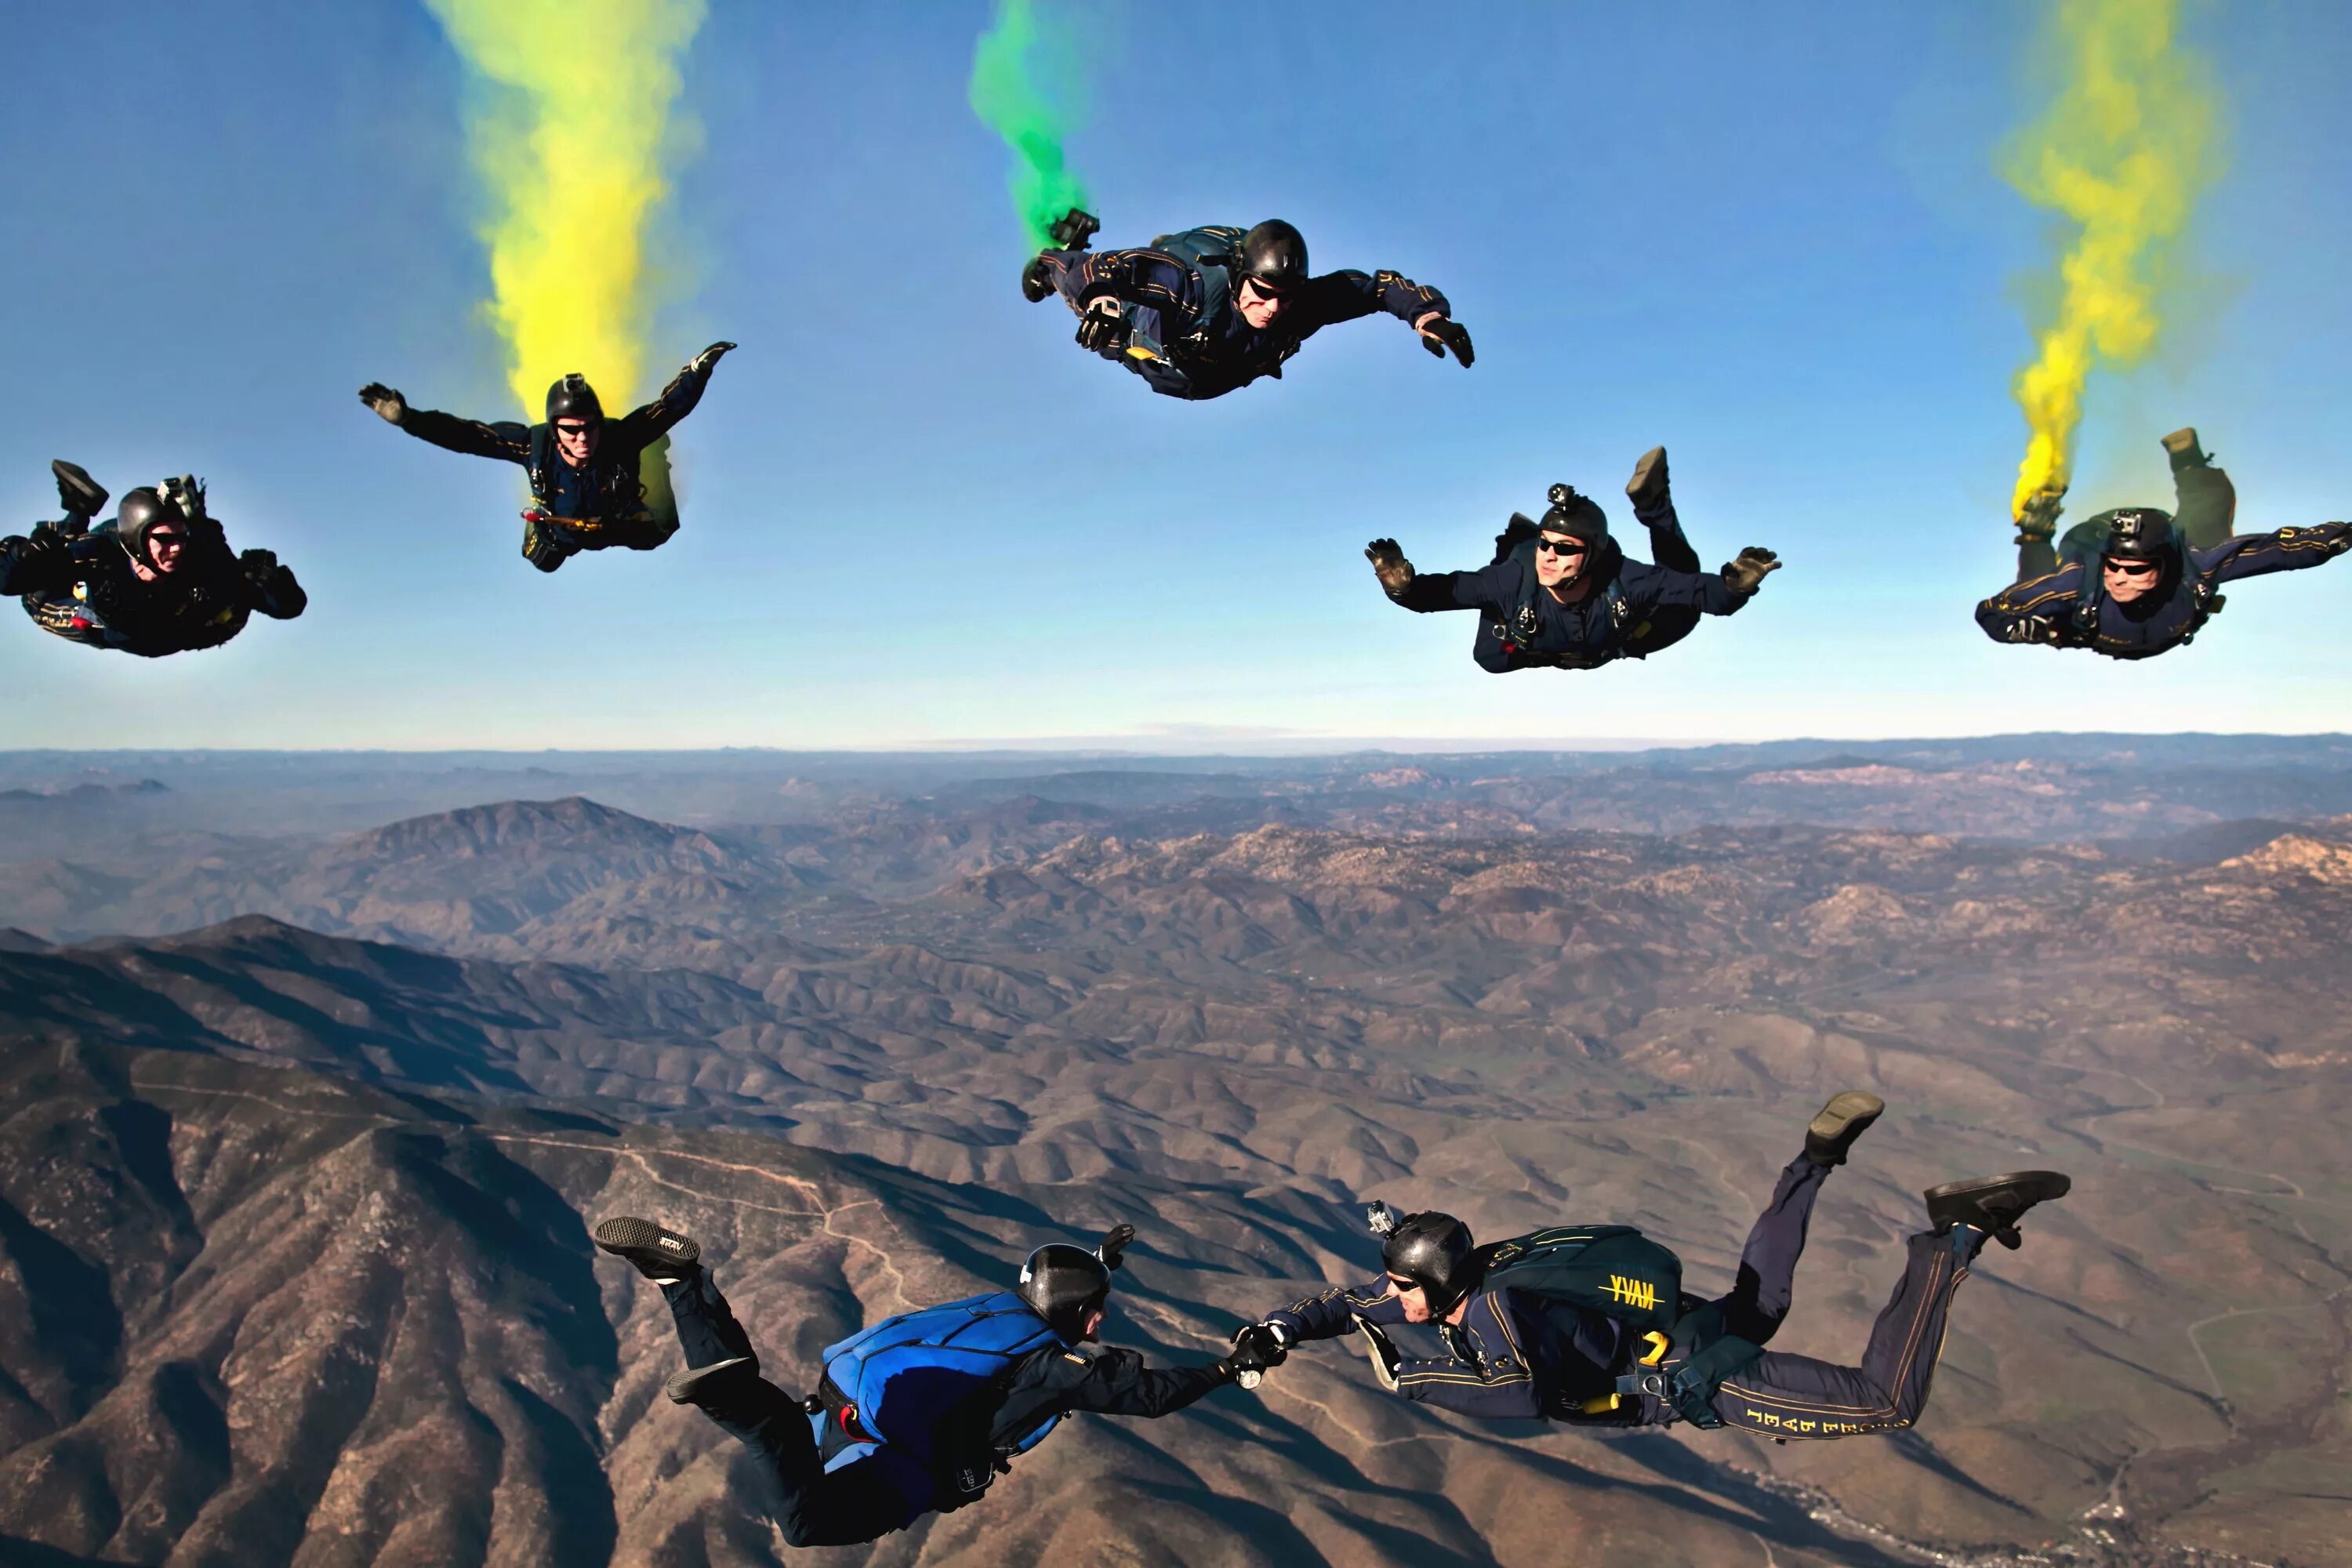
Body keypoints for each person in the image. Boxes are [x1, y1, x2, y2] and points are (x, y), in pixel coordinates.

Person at [1241, 1093, 2071, 1439]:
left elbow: (1519, 1393)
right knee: (1761, 1294)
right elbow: (1350, 1304)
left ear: (1441, 1285)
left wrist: (1409, 1378)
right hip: (1683, 1326)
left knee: (1888, 1402)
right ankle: (1811, 1162)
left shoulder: (1491, 1316)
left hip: (1697, 1373)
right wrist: (1284, 1328)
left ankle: (1954, 1235)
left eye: (1401, 1285)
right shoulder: (1473, 1276)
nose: (1390, 1296)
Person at [593, 1215, 1283, 1548]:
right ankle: (750, 1411)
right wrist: (1231, 1367)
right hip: (897, 1464)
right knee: (803, 1524)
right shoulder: (1051, 1366)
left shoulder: (1003, 1311)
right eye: (1094, 1311)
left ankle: (680, 1283)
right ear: (1072, 1312)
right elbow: (1152, 1396)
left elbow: (1056, 1283)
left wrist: (1101, 1259)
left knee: (761, 1410)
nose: (1101, 1323)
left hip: (837, 1407)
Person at [1365, 447, 1780, 672]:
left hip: (1619, 638)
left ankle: (1655, 508)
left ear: (1593, 555)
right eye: (1545, 543)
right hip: (1529, 642)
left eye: (1564, 549)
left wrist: (1735, 587)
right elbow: (1441, 593)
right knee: (1488, 658)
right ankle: (1516, 539)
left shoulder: (1625, 580)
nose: (1548, 556)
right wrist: (1402, 588)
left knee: (1684, 607)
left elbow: (1703, 593)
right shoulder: (1513, 580)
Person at [358, 341, 735, 572]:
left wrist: (696, 373)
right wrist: (409, 419)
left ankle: (656, 465)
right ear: (555, 429)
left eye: (590, 426)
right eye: (570, 429)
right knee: (542, 562)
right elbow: (469, 436)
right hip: (561, 530)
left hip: (618, 522)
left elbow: (667, 408)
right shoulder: (532, 445)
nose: (583, 437)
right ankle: (544, 532)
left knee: (660, 532)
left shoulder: (619, 437)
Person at [1979, 426, 2351, 659]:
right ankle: (2035, 530)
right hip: (2088, 544)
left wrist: (2335, 538)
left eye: (2136, 569)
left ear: (2162, 565)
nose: (2119, 578)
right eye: (2115, 566)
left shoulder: (2195, 564)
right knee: (2045, 598)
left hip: (2171, 552)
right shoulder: (2080, 581)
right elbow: (1994, 609)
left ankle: (2189, 461)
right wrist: (2017, 630)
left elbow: (2283, 550)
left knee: (2210, 522)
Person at [1022, 210, 1471, 401]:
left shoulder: (1301, 304)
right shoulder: (1191, 286)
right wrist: (1095, 296)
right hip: (1158, 347)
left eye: (1284, 296)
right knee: (1104, 320)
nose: (1273, 308)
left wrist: (1428, 315)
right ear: (1240, 278)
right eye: (1262, 291)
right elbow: (1114, 268)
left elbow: (1377, 288)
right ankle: (1049, 255)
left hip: (1216, 373)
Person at [0, 461, 304, 656]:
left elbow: (288, 607)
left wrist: (276, 587)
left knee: (228, 592)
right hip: (119, 617)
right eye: (164, 540)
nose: (176, 549)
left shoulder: (201, 554)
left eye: (180, 538)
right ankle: (77, 510)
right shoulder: (101, 553)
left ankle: (78, 516)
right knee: (37, 597)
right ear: (136, 540)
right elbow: (8, 579)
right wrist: (27, 554)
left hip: (181, 624)